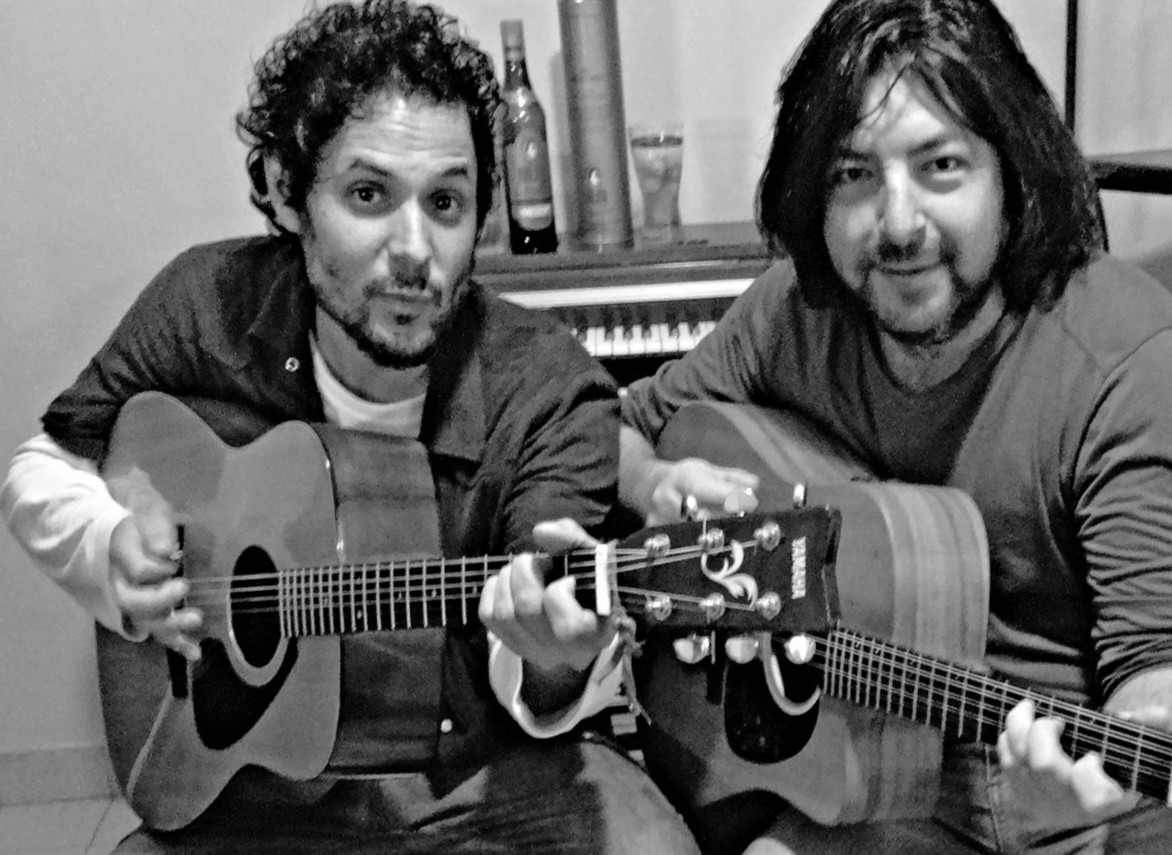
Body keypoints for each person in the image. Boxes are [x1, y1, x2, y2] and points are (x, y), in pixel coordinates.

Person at [0, 2, 698, 853]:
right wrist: (107, 548)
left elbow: (546, 590)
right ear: (287, 192)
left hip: (481, 775)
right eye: (368, 195)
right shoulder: (207, 304)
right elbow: (43, 466)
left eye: (446, 202)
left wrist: (553, 651)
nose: (414, 249)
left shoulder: (547, 383)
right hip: (250, 792)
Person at [617, 0, 1172, 853]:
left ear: (1012, 175)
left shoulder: (1127, 361)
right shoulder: (795, 313)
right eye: (853, 174)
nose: (899, 223)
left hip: (1070, 804)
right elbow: (617, 432)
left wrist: (1110, 762)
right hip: (866, 773)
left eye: (941, 165)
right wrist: (653, 483)